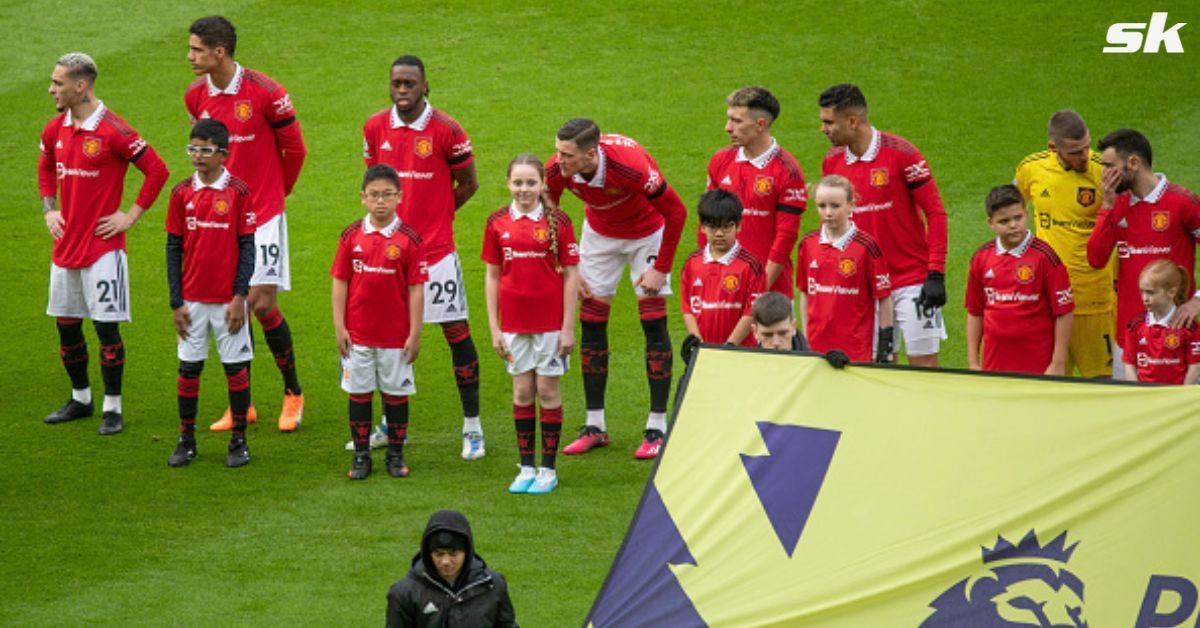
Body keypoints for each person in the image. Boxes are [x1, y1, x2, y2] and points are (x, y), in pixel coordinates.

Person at [186, 15, 308, 432]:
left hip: (265, 215)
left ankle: (293, 392)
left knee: (260, 303)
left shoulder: (267, 93)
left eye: (197, 49)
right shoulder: (194, 97)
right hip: (223, 219)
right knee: (230, 307)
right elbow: (203, 156)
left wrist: (275, 195)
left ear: (219, 52)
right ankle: (244, 405)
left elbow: (297, 150)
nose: (190, 56)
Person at [39, 52, 169, 435]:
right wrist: (49, 209)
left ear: (81, 86)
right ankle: (80, 398)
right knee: (66, 326)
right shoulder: (54, 129)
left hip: (102, 251)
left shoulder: (114, 131)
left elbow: (157, 170)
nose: (51, 89)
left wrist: (129, 216)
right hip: (65, 248)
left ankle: (113, 407)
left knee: (106, 330)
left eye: (58, 83)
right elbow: (46, 165)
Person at [362, 55, 484, 460]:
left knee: (456, 333)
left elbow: (468, 183)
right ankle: (391, 426)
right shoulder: (375, 127)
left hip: (436, 254)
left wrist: (439, 218)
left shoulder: (448, 130)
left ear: (425, 86)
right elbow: (375, 186)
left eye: (410, 84)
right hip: (389, 254)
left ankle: (473, 428)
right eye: (396, 83)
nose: (402, 90)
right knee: (389, 340)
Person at [545, 118, 687, 460]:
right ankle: (595, 426)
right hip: (599, 236)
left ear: (590, 155)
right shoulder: (556, 169)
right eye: (557, 151)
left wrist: (661, 268)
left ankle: (657, 426)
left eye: (567, 155)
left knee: (653, 323)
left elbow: (677, 211)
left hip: (646, 234)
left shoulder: (631, 168)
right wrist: (566, 261)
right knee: (592, 322)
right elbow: (551, 207)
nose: (558, 160)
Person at [818, 83, 948, 366]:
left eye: (829, 122)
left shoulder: (903, 154)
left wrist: (935, 273)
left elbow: (935, 213)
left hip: (912, 283)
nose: (823, 129)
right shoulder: (831, 161)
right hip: (865, 286)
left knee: (925, 369)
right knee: (877, 367)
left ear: (852, 121)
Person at [483, 154, 581, 495]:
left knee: (548, 392)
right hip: (513, 325)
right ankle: (526, 466)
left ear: (542, 185)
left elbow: (571, 277)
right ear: (508, 183)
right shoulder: (496, 223)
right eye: (518, 183)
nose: (524, 189)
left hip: (551, 325)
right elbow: (492, 276)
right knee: (523, 392)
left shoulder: (559, 221)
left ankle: (548, 470)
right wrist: (495, 328)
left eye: (531, 183)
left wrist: (568, 327)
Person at [165, 119, 255, 468]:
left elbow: (247, 247)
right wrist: (176, 301)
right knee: (189, 368)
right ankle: (186, 440)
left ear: (223, 154)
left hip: (228, 302)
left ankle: (238, 442)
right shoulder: (181, 193)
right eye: (193, 149)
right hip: (192, 300)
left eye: (205, 150)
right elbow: (174, 248)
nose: (197, 156)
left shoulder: (238, 192)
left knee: (235, 370)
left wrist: (239, 297)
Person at [331, 165, 426, 479]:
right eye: (374, 195)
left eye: (387, 195)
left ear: (399, 196)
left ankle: (396, 456)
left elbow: (416, 288)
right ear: (363, 198)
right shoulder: (351, 236)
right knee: (358, 394)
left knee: (396, 395)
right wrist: (339, 326)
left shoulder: (409, 240)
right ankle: (361, 456)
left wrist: (414, 333)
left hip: (395, 338)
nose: (381, 201)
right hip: (357, 335)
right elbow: (340, 282)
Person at [1086, 129, 1200, 364]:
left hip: (1176, 339)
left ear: (1134, 163)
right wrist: (1106, 205)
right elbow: (1095, 259)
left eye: (1108, 166)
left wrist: (1197, 301)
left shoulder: (1182, 203)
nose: (1103, 174)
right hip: (1128, 341)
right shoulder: (1116, 204)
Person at [1014, 110, 1113, 378]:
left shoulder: (1104, 172)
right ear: (1052, 147)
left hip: (1094, 297)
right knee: (1049, 382)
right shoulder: (1031, 169)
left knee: (1104, 382)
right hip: (1048, 300)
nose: (1084, 156)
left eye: (1086, 146)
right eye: (1074, 152)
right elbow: (1011, 212)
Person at [705, 86, 806, 299]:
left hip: (769, 292)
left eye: (737, 121)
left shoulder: (787, 171)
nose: (727, 128)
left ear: (761, 124)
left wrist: (759, 288)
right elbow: (706, 222)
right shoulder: (720, 161)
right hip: (723, 284)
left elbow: (785, 236)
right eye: (728, 119)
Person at [966, 185, 1074, 375]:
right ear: (990, 223)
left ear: (1026, 214)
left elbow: (1064, 312)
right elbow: (975, 312)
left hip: (1038, 364)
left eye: (1018, 218)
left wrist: (1057, 363)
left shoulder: (1045, 257)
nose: (1013, 225)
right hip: (994, 364)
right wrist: (974, 362)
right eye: (1004, 221)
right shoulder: (981, 258)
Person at [797, 175, 894, 363]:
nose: (828, 213)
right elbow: (805, 294)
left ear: (851, 205)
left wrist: (885, 346)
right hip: (817, 349)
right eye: (822, 206)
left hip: (856, 351)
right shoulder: (807, 244)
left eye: (835, 206)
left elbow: (884, 297)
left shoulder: (867, 247)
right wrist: (807, 339)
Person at [386, 510, 516, 627]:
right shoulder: (404, 594)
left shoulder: (493, 585)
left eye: (454, 554)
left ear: (467, 552)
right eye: (438, 554)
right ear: (428, 553)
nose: (445, 561)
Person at [680, 190, 766, 347]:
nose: (719, 234)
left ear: (739, 226)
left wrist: (730, 345)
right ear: (702, 227)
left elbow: (752, 311)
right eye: (712, 228)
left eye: (726, 227)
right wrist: (698, 343)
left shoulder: (751, 265)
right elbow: (687, 308)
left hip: (740, 351)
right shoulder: (691, 263)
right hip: (703, 351)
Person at [1123, 260, 1200, 384]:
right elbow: (1129, 365)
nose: (1145, 298)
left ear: (1171, 292)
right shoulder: (1135, 325)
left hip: (1177, 398)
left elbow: (1195, 368)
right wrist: (1137, 392)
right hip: (1146, 398)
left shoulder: (1188, 327)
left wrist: (1183, 396)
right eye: (1142, 291)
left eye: (1150, 292)